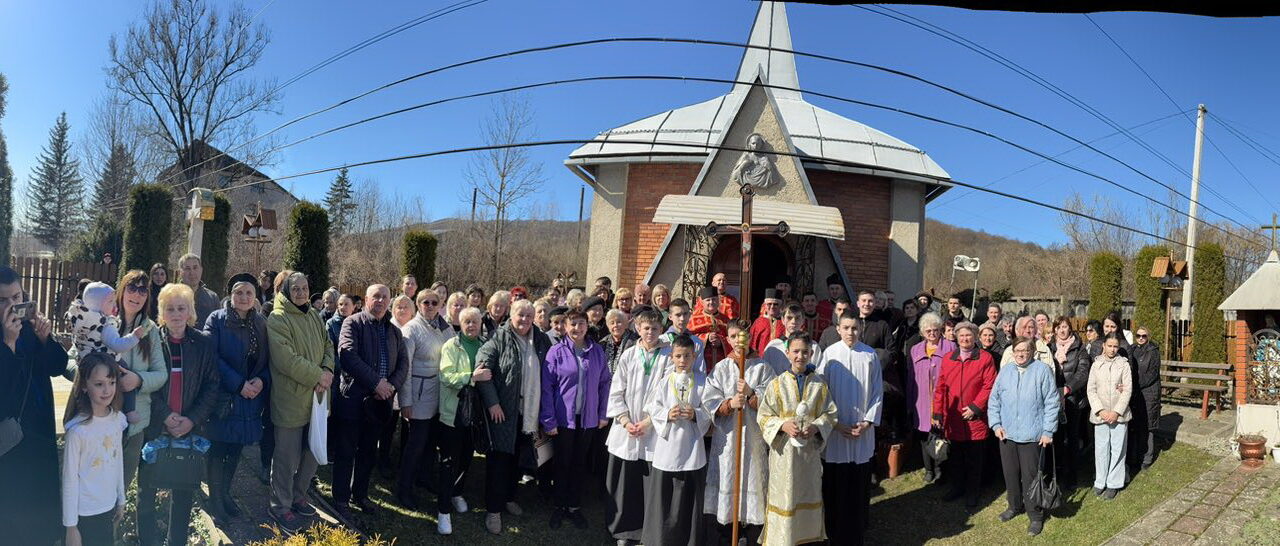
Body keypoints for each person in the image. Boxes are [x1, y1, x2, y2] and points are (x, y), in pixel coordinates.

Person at [137, 283, 221, 546]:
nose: (175, 314)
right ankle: (147, 541)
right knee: (146, 493)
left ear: (190, 311)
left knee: (182, 495)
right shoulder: (150, 341)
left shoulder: (203, 344)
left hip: (188, 430)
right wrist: (165, 415)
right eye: (170, 308)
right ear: (162, 312)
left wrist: (191, 419)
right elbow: (144, 381)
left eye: (181, 308)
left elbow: (212, 385)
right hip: (154, 426)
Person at [0, 265, 67, 545]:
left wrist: (45, 339)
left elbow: (58, 365)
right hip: (11, 446)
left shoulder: (28, 327)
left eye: (16, 297)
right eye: (3, 300)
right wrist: (8, 345)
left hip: (40, 436)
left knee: (41, 519)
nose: (11, 306)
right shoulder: (9, 335)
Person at [475, 299, 553, 534]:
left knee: (518, 459)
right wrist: (493, 403)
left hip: (529, 412)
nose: (525, 320)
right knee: (499, 461)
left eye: (529, 315)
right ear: (511, 315)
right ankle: (493, 510)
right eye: (521, 315)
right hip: (504, 412)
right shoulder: (498, 338)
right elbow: (482, 370)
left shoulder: (541, 340)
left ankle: (509, 497)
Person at [265, 271, 335, 533]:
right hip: (291, 399)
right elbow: (286, 359)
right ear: (286, 291)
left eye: (305, 288)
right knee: (286, 457)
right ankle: (280, 505)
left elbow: (328, 346)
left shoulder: (314, 315)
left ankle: (298, 495)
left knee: (312, 453)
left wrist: (327, 370)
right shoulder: (277, 318)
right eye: (295, 289)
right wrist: (318, 376)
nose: (301, 293)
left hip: (317, 397)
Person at [333, 285, 408, 518]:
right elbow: (347, 355)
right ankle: (341, 499)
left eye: (385, 297)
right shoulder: (353, 323)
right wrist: (377, 383)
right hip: (353, 400)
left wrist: (390, 387)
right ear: (366, 300)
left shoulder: (394, 331)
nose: (380, 301)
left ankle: (361, 494)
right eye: (376, 296)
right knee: (346, 451)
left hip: (379, 403)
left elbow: (403, 363)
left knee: (368, 452)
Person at [757, 331, 837, 546]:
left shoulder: (819, 385)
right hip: (784, 455)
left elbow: (830, 414)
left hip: (808, 456)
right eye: (795, 351)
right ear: (787, 353)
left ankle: (807, 539)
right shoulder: (776, 384)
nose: (800, 356)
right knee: (785, 497)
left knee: (807, 495)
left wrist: (816, 426)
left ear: (811, 353)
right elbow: (763, 416)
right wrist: (782, 425)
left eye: (804, 352)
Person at [202, 273, 271, 521]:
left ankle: (225, 494)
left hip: (250, 398)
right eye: (238, 292)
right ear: (230, 295)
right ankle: (215, 499)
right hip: (224, 397)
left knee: (236, 449)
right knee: (218, 449)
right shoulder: (217, 319)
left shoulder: (261, 323)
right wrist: (238, 384)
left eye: (249, 293)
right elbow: (211, 356)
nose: (243, 297)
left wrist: (262, 380)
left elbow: (269, 359)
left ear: (255, 297)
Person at [642, 334, 720, 546]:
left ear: (694, 357)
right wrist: (667, 414)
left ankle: (690, 539)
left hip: (692, 447)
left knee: (690, 499)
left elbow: (711, 409)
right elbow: (652, 407)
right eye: (678, 356)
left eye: (687, 356)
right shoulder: (665, 382)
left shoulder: (703, 381)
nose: (683, 360)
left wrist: (696, 415)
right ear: (672, 358)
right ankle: (661, 539)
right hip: (667, 448)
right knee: (665, 497)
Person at [703, 318, 773, 545]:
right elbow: (709, 398)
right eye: (733, 337)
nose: (737, 341)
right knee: (728, 479)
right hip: (728, 436)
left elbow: (773, 401)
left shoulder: (762, 367)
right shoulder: (722, 368)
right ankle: (727, 533)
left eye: (741, 336)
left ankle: (752, 534)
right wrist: (728, 404)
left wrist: (752, 394)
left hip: (753, 437)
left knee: (752, 481)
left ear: (750, 337)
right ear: (727, 339)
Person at [541, 310, 611, 530]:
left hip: (588, 419)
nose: (577, 328)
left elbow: (605, 384)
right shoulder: (556, 352)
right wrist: (549, 419)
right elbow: (547, 387)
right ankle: (559, 505)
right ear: (565, 326)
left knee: (580, 463)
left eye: (581, 324)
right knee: (562, 462)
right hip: (564, 420)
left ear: (587, 326)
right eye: (572, 324)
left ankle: (574, 506)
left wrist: (603, 414)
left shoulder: (596, 351)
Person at [605, 309, 670, 546]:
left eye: (655, 328)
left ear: (661, 330)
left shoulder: (668, 356)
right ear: (638, 329)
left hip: (653, 429)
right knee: (625, 483)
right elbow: (616, 390)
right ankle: (623, 530)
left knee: (649, 484)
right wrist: (624, 421)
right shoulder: (629, 354)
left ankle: (647, 531)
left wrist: (648, 422)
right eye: (646, 328)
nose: (650, 332)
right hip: (627, 428)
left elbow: (667, 393)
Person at [818, 312, 883, 546]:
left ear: (860, 329)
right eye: (846, 327)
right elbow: (820, 393)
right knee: (835, 486)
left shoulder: (870, 355)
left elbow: (877, 391)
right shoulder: (829, 355)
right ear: (838, 329)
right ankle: (832, 532)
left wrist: (867, 422)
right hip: (836, 433)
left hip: (861, 432)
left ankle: (857, 533)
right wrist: (834, 423)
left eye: (854, 328)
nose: (850, 332)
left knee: (858, 485)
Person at [988, 337, 1059, 536]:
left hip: (1032, 435)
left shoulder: (1042, 371)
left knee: (1030, 478)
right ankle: (1014, 506)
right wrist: (996, 424)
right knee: (1010, 474)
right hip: (1007, 434)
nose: (1021, 354)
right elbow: (994, 400)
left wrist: (1047, 431)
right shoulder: (1006, 371)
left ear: (1032, 352)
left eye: (1025, 350)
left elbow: (1052, 402)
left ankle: (1035, 515)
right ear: (1013, 352)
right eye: (1017, 350)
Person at [60, 352, 127, 546]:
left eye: (112, 382)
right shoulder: (78, 431)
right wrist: (71, 527)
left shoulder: (117, 419)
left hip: (109, 506)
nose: (107, 390)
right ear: (84, 385)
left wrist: (121, 499)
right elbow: (70, 480)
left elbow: (117, 461)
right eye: (99, 384)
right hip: (85, 514)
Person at [395, 288, 451, 510]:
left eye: (434, 302)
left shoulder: (444, 328)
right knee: (415, 445)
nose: (430, 306)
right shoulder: (411, 329)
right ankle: (403, 489)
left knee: (430, 443)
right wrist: (405, 401)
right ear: (418, 305)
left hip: (439, 394)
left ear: (440, 305)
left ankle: (424, 478)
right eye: (425, 302)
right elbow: (405, 368)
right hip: (418, 395)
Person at [931, 322, 996, 508]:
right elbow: (941, 387)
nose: (965, 339)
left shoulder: (985, 358)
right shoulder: (948, 358)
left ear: (975, 337)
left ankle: (973, 491)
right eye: (961, 335)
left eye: (968, 335)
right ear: (956, 338)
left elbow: (989, 385)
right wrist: (938, 412)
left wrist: (975, 407)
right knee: (956, 457)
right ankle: (957, 487)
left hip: (975, 418)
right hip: (954, 418)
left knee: (975, 458)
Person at [114, 271, 168, 491]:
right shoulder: (102, 320)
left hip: (134, 425)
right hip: (100, 421)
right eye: (132, 288)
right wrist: (93, 380)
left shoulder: (149, 330)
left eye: (143, 290)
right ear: (122, 290)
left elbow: (161, 374)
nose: (136, 294)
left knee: (121, 490)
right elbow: (72, 360)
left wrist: (137, 380)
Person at [436, 307, 487, 534]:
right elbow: (446, 376)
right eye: (467, 321)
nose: (471, 325)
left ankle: (456, 493)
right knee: (449, 461)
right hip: (453, 412)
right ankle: (443, 511)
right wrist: (472, 377)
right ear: (460, 323)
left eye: (475, 321)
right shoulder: (451, 346)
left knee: (466, 457)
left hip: (475, 413)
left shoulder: (485, 345)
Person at [66, 282, 145, 423]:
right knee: (126, 372)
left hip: (86, 361)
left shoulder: (82, 320)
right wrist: (134, 337)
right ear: (98, 305)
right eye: (110, 302)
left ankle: (81, 412)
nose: (114, 304)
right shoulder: (105, 324)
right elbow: (118, 345)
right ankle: (130, 410)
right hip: (106, 359)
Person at [853, 290, 906, 481]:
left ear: (875, 304)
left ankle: (872, 468)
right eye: (864, 301)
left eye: (870, 301)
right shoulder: (852, 323)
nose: (867, 304)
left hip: (875, 380)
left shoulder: (881, 324)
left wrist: (875, 364)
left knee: (872, 425)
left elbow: (891, 351)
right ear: (858, 303)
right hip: (853, 381)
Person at [908, 312, 954, 484]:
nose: (932, 333)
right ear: (922, 332)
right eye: (928, 331)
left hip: (942, 400)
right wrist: (910, 403)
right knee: (924, 436)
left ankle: (940, 469)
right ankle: (928, 469)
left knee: (941, 435)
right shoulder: (915, 350)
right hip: (921, 401)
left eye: (935, 330)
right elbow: (911, 377)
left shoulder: (950, 347)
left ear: (940, 330)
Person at [1087, 333, 1132, 500]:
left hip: (1119, 415)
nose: (1112, 349)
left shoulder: (1123, 365)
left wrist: (1116, 412)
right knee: (1101, 449)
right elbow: (1091, 390)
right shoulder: (1096, 365)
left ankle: (1114, 482)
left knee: (1118, 449)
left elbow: (1127, 390)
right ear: (1103, 346)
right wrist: (1100, 410)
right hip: (1101, 415)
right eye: (1109, 346)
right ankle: (1100, 480)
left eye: (1115, 346)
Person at [1051, 316, 1088, 487]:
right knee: (1056, 437)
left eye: (1065, 326)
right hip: (1053, 398)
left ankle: (1072, 475)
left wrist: (1068, 388)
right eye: (1059, 327)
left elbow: (1082, 372)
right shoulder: (1050, 347)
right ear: (1055, 330)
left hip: (1073, 399)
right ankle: (1057, 473)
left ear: (1070, 329)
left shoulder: (1079, 348)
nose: (1062, 330)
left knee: (1072, 438)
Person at [1128, 326, 1162, 473]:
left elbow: (1152, 374)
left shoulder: (1153, 351)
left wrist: (1135, 384)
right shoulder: (1132, 349)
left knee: (1148, 426)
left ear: (1148, 337)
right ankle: (1134, 457)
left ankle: (1147, 458)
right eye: (1138, 335)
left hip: (1149, 392)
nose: (1141, 338)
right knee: (1135, 425)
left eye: (1144, 336)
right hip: (1135, 392)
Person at [764, 304, 820, 376]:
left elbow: (819, 373)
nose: (793, 321)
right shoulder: (773, 347)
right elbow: (765, 374)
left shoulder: (813, 346)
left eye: (797, 318)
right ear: (782, 320)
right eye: (789, 318)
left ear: (803, 320)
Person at [688, 286, 730, 374]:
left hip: (721, 362)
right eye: (708, 300)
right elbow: (689, 338)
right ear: (702, 302)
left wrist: (721, 341)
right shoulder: (694, 318)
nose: (711, 302)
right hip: (701, 362)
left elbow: (732, 338)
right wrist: (706, 337)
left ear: (718, 300)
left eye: (714, 299)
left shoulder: (726, 319)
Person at [178, 253, 221, 325]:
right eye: (187, 268)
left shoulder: (212, 298)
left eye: (195, 268)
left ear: (201, 270)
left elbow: (218, 325)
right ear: (180, 272)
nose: (192, 272)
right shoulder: (171, 296)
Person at [749, 289, 785, 356]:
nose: (772, 307)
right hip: (761, 358)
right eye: (769, 304)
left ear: (780, 306)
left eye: (775, 304)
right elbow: (753, 342)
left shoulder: (784, 322)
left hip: (781, 357)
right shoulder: (758, 322)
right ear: (765, 305)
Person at [602, 309, 639, 374]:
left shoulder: (635, 341)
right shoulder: (603, 343)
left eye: (619, 322)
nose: (615, 325)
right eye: (612, 323)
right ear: (608, 326)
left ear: (625, 324)